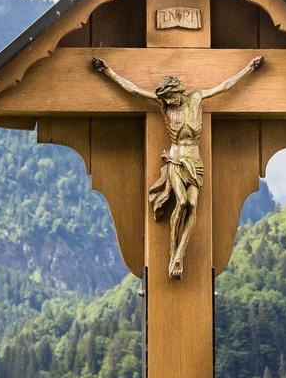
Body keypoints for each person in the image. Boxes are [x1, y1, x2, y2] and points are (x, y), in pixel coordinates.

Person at [89, 54, 264, 278]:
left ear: (178, 92)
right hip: (175, 160)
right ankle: (174, 254)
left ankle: (180, 251)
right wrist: (108, 71)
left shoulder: (197, 99)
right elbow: (133, 90)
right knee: (180, 202)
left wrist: (249, 68)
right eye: (167, 101)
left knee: (192, 205)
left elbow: (225, 86)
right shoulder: (165, 108)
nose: (170, 103)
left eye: (171, 99)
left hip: (194, 161)